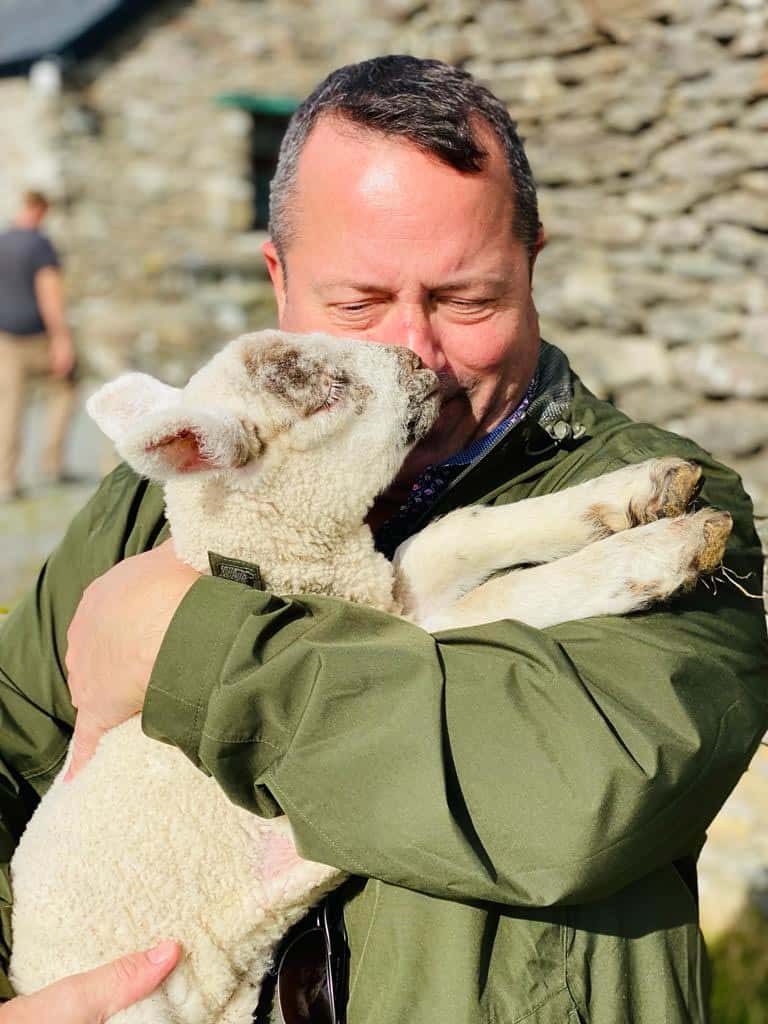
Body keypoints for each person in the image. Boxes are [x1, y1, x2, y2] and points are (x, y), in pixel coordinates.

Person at [1, 56, 767, 1023]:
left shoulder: (675, 509)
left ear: (532, 263)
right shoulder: (163, 497)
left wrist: (185, 652)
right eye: (356, 304)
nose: (412, 356)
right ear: (278, 278)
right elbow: (9, 745)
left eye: (467, 301)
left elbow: (572, 797)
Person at [0, 190, 77, 502]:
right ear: (40, 209)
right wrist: (62, 339)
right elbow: (50, 295)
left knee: (9, 407)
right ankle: (51, 462)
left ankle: (5, 479)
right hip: (37, 338)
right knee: (65, 389)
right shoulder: (40, 246)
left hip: (4, 337)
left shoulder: (2, 241)